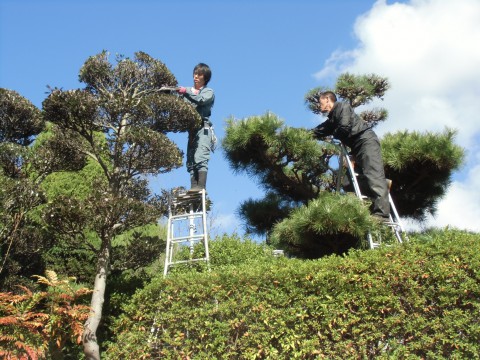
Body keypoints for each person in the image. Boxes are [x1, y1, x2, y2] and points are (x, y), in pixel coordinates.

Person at [312, 91, 390, 220]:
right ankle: (383, 186)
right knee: (348, 182)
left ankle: (382, 213)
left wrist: (333, 132)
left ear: (327, 99)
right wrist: (302, 134)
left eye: (320, 102)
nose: (319, 105)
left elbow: (344, 126)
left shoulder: (343, 107)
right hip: (356, 148)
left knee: (373, 175)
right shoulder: (332, 118)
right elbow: (320, 130)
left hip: (366, 141)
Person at [177, 63, 216, 192]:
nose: (196, 77)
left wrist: (185, 92)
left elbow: (200, 100)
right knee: (191, 158)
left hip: (203, 129)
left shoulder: (208, 92)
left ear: (205, 77)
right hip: (192, 130)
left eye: (199, 74)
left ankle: (201, 187)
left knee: (200, 156)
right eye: (195, 73)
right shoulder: (187, 90)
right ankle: (194, 187)